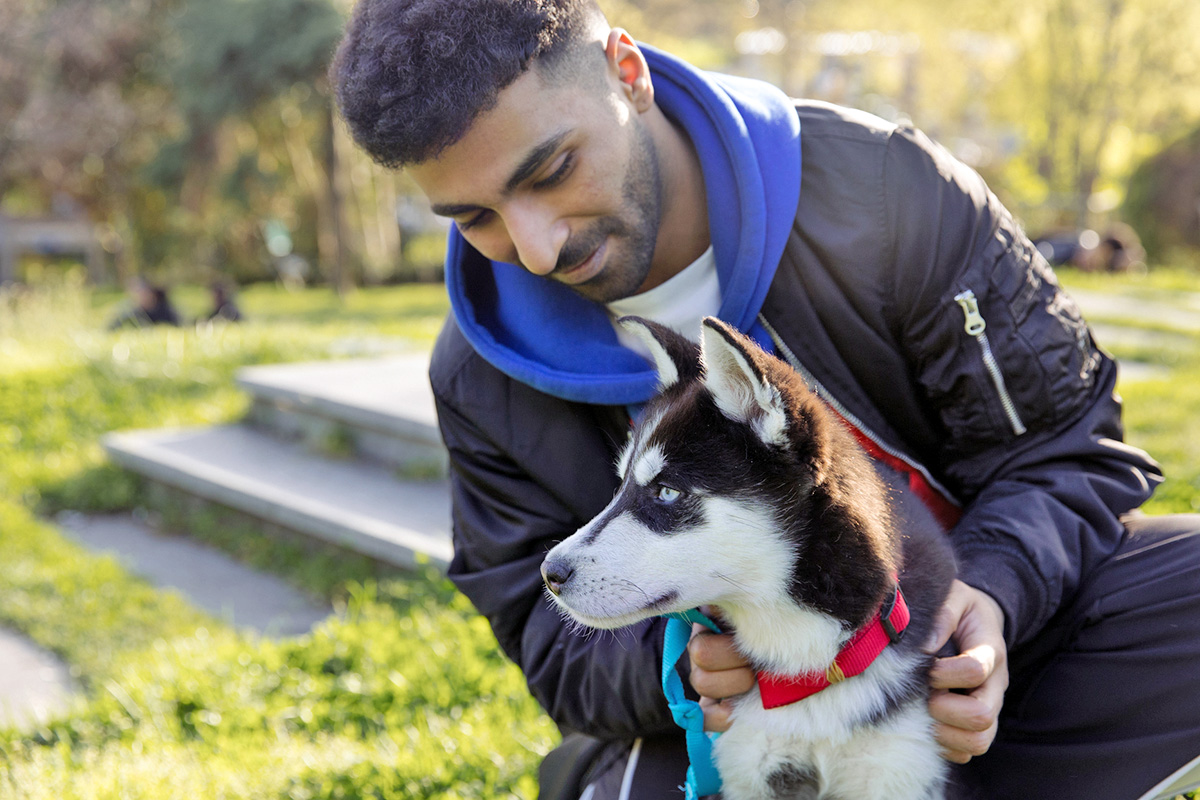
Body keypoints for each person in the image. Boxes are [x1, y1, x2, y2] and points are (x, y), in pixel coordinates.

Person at [329, 2, 1200, 798]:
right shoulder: (478, 372)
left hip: (986, 654)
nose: (535, 247)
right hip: (736, 721)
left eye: (553, 170)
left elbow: (1067, 445)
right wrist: (684, 665)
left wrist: (996, 593)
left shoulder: (886, 187)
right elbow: (546, 634)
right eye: (473, 218)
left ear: (627, 74)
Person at [106, 276, 181, 330]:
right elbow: (112, 327)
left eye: (143, 292)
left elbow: (179, 323)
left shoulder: (165, 309)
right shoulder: (132, 313)